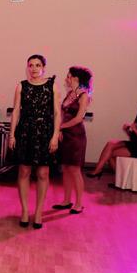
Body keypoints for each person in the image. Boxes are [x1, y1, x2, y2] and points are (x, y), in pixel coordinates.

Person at [8, 54, 61, 230]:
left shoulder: (52, 86)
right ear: (27, 68)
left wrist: (55, 135)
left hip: (45, 133)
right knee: (24, 171)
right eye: (31, 65)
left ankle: (38, 212)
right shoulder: (21, 86)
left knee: (43, 173)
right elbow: (16, 111)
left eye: (38, 65)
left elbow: (57, 113)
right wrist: (12, 135)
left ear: (43, 68)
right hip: (25, 132)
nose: (34, 68)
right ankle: (24, 211)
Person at [52, 66, 92, 214]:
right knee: (66, 168)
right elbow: (62, 113)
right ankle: (66, 200)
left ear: (76, 78)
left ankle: (79, 203)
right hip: (65, 135)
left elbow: (78, 118)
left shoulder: (84, 95)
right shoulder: (70, 93)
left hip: (76, 136)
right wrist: (59, 129)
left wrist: (60, 127)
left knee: (75, 169)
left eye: (68, 76)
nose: (66, 78)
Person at [88, 101, 137, 178]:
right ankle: (100, 171)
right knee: (110, 144)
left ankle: (100, 171)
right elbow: (134, 137)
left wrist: (135, 130)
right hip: (134, 144)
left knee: (110, 154)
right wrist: (127, 130)